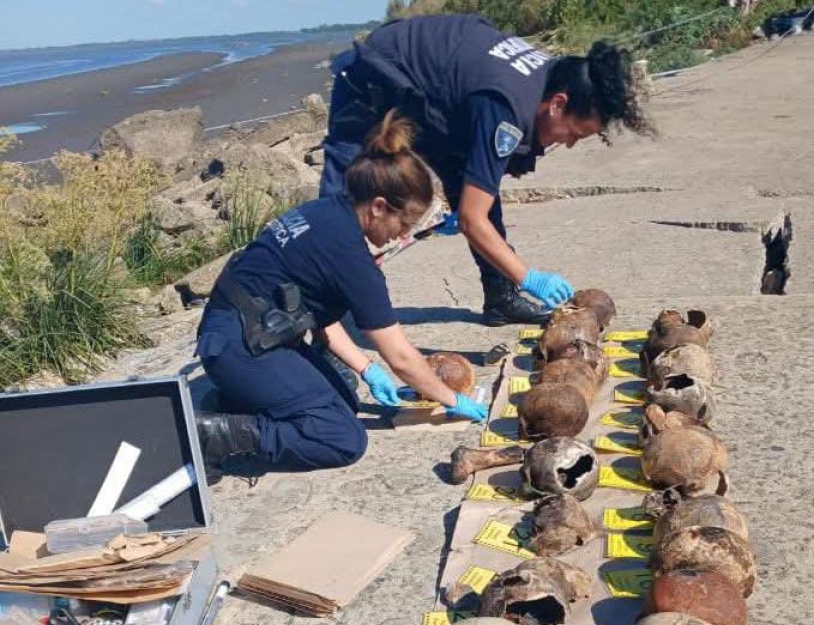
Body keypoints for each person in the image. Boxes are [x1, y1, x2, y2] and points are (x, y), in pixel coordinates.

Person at [194, 111, 488, 479]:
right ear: (379, 207)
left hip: (238, 333)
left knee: (344, 398)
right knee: (341, 438)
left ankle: (233, 401)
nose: (402, 236)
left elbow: (318, 313)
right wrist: (453, 400)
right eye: (404, 224)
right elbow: (400, 356)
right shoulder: (350, 257)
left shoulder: (326, 213)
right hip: (241, 347)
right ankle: (217, 435)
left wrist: (366, 369)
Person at [321, 14, 654, 327]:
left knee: (479, 182)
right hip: (374, 75)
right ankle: (323, 326)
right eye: (574, 134)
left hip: (437, 94)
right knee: (339, 204)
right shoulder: (506, 109)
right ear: (558, 104)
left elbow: (480, 190)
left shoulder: (552, 76)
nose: (568, 145)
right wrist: (528, 275)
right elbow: (471, 220)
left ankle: (500, 297)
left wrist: (473, 208)